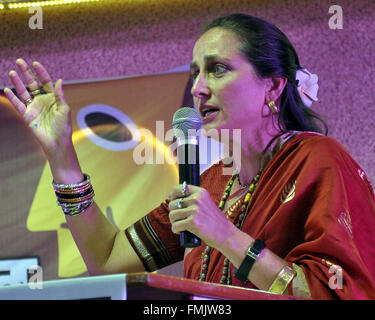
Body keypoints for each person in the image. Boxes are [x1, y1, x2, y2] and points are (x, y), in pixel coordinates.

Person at [4, 13, 375, 300]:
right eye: (196, 73)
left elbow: (339, 293)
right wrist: (61, 155)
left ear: (274, 87)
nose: (198, 88)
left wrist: (226, 236)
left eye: (218, 69)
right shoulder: (209, 183)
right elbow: (106, 260)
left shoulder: (318, 160)